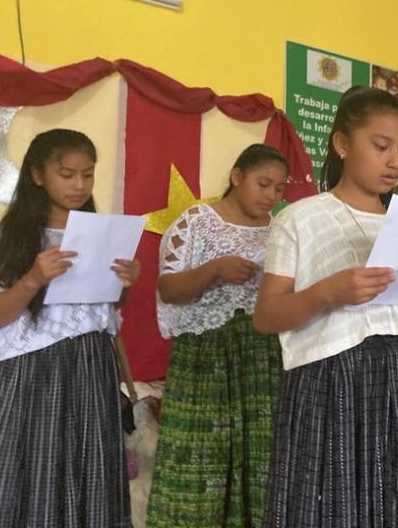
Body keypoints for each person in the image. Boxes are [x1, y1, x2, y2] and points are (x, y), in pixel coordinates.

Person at [255, 87, 398, 527]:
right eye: (380, 147)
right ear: (342, 144)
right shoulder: (301, 218)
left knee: (395, 501)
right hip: (328, 377)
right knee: (327, 504)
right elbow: (266, 316)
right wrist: (327, 292)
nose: (394, 161)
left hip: (397, 373)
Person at [0, 129, 138, 526]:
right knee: (30, 470)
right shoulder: (11, 237)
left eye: (88, 174)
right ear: (38, 176)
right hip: (30, 374)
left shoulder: (102, 233)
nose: (79, 185)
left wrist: (125, 284)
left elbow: (104, 313)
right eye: (67, 173)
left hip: (90, 369)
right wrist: (32, 279)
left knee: (87, 467)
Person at [147, 144, 289, 526]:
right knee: (200, 456)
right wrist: (214, 269)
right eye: (263, 184)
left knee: (259, 455)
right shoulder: (195, 223)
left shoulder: (281, 231)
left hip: (262, 358)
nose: (271, 196)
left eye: (279, 189)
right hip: (205, 356)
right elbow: (168, 290)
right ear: (237, 177)